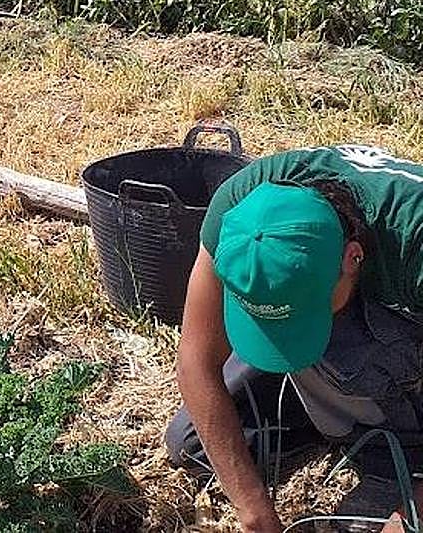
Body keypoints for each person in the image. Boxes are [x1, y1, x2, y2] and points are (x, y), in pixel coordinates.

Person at [167, 144, 423, 533]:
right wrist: (254, 511)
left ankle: (399, 453)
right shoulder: (240, 214)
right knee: (195, 444)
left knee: (351, 353)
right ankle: (340, 418)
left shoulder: (413, 243)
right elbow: (195, 362)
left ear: (352, 258)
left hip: (402, 308)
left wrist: (410, 516)